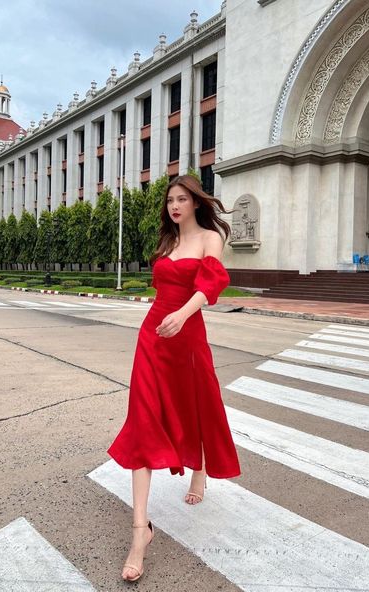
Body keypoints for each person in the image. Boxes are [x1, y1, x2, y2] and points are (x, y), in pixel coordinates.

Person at [107, 174, 241, 582]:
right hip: (153, 336)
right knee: (144, 422)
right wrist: (166, 318)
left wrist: (182, 316)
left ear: (196, 202)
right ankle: (139, 533)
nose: (175, 206)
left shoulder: (209, 239)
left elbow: (211, 284)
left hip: (187, 335)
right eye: (170, 201)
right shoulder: (167, 243)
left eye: (182, 199)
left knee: (195, 405)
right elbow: (162, 288)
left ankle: (199, 468)